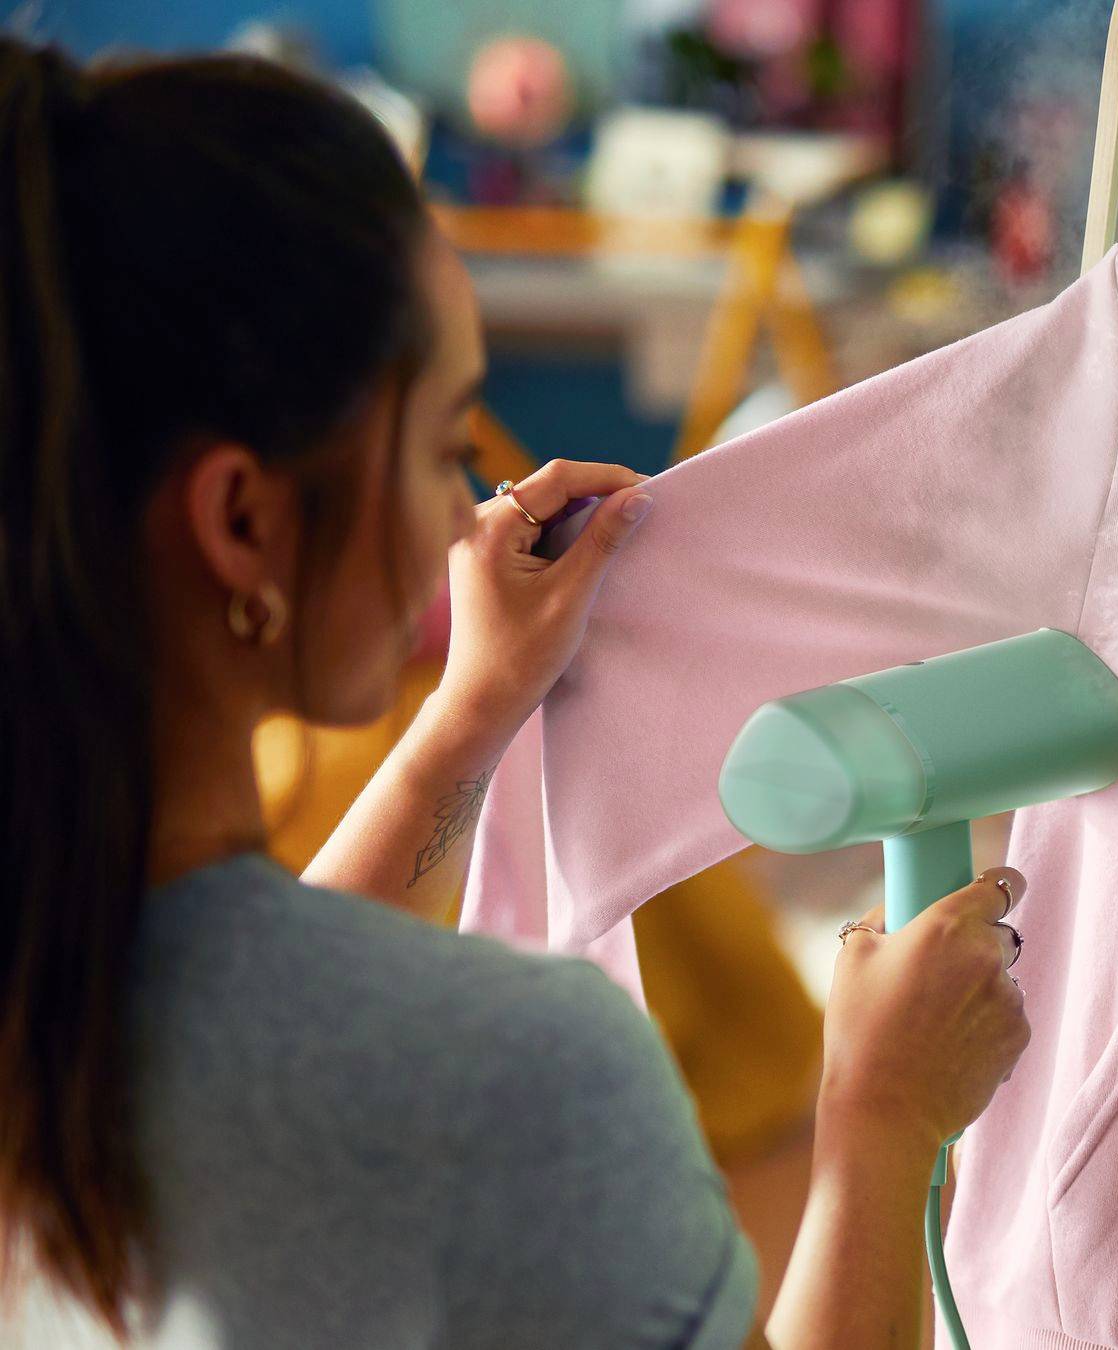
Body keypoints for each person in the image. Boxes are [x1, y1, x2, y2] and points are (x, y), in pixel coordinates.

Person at [0, 39, 1030, 1349]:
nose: (460, 514)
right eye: (443, 445)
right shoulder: (511, 1076)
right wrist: (884, 1121)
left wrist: (469, 714)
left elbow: (262, 995)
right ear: (243, 519)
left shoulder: (72, 989)